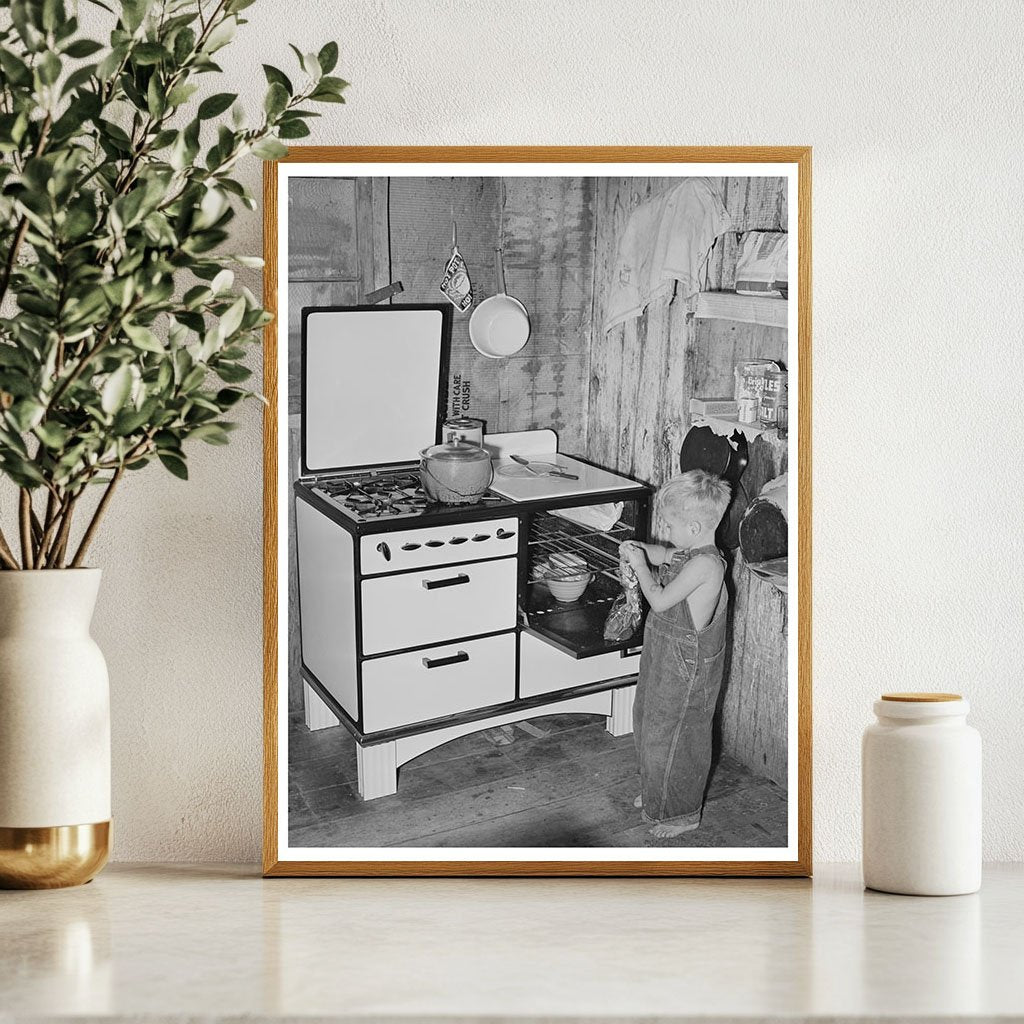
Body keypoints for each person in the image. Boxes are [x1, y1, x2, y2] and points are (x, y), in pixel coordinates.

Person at [619, 470, 731, 838]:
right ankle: (659, 790)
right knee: (648, 720)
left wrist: (640, 567)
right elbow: (666, 554)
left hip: (687, 665)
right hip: (664, 653)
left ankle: (682, 813)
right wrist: (639, 550)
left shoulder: (707, 565)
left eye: (669, 525)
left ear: (695, 527)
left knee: (675, 735)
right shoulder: (692, 552)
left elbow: (661, 599)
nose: (665, 531)